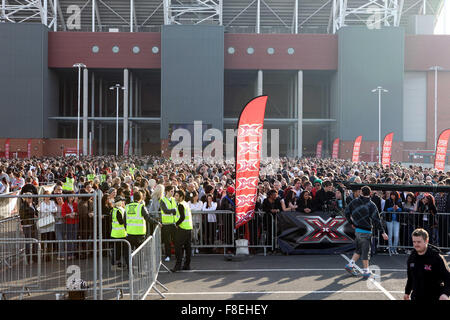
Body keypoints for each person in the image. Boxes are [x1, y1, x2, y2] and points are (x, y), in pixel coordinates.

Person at [344, 186, 388, 279]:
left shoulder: (354, 202)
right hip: (366, 230)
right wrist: (383, 232)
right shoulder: (371, 205)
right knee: (366, 251)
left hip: (357, 230)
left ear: (361, 192)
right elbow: (376, 220)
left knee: (359, 249)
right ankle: (366, 271)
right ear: (370, 193)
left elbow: (346, 212)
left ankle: (351, 264)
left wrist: (351, 222)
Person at [404, 228, 450, 301]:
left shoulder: (436, 258)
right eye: (414, 242)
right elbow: (410, 278)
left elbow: (448, 278)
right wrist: (407, 292)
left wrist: (445, 293)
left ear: (426, 241)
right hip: (416, 297)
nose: (416, 244)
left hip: (434, 296)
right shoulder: (411, 257)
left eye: (419, 242)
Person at [171, 190, 193, 272]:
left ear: (181, 197)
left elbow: (182, 217)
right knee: (188, 248)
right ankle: (187, 265)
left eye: (176, 195)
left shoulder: (181, 205)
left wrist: (176, 224)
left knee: (178, 248)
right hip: (188, 228)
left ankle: (178, 266)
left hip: (182, 228)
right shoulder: (186, 204)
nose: (175, 197)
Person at [160, 186, 177, 262]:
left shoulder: (174, 199)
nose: (173, 193)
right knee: (167, 242)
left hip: (174, 223)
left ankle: (177, 255)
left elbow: (177, 209)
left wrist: (173, 211)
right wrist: (174, 210)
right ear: (167, 191)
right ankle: (168, 255)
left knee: (176, 240)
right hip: (166, 224)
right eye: (171, 191)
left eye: (173, 191)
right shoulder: (162, 200)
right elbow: (165, 210)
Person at [111, 196, 128, 270]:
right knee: (118, 251)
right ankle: (115, 265)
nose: (124, 202)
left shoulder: (114, 210)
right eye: (122, 201)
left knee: (117, 250)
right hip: (120, 234)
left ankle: (116, 264)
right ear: (119, 202)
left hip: (116, 233)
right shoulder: (119, 210)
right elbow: (121, 222)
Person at [384, 191, 403, 255]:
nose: (392, 196)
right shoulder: (387, 201)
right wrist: (391, 208)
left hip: (397, 220)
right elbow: (385, 209)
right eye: (391, 195)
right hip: (389, 220)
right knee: (390, 235)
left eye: (394, 195)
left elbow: (401, 210)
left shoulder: (399, 201)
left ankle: (394, 249)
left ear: (396, 196)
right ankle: (390, 249)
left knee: (396, 235)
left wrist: (398, 208)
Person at [61, 192, 79, 260]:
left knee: (74, 237)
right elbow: (63, 214)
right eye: (70, 197)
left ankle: (74, 253)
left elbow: (78, 212)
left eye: (72, 197)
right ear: (67, 198)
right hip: (68, 223)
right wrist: (69, 215)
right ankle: (69, 254)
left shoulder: (75, 204)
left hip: (75, 222)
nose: (71, 198)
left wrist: (75, 214)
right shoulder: (64, 205)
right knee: (69, 238)